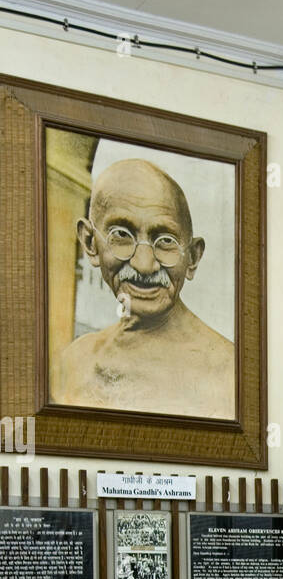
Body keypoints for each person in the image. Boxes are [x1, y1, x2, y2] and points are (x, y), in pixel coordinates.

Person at [49, 158, 234, 420]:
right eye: (121, 235)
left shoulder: (229, 374)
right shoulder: (75, 362)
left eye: (165, 241)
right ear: (90, 243)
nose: (144, 265)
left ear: (192, 258)